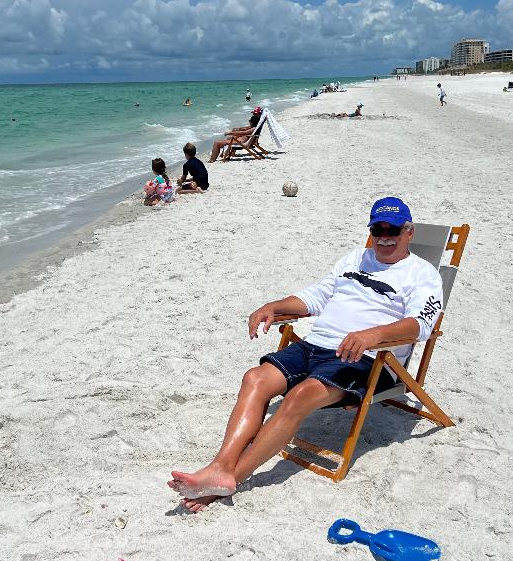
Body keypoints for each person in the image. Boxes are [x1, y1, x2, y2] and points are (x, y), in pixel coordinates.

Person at [168, 197, 444, 512]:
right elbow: (316, 296)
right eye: (377, 228)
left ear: (410, 232)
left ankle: (231, 479)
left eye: (393, 229)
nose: (385, 236)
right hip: (316, 345)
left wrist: (372, 336)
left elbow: (421, 324)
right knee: (255, 379)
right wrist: (275, 306)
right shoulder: (356, 258)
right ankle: (220, 466)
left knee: (300, 396)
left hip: (368, 357)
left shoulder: (422, 274)